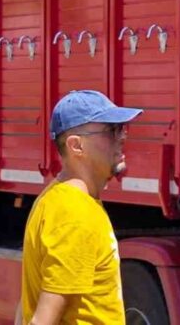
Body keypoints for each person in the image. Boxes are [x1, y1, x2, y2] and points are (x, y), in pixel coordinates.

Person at [18, 90, 142, 325]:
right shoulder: (75, 212)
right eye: (111, 130)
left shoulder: (55, 197)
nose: (122, 137)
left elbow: (25, 305)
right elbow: (42, 320)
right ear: (76, 146)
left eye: (122, 128)